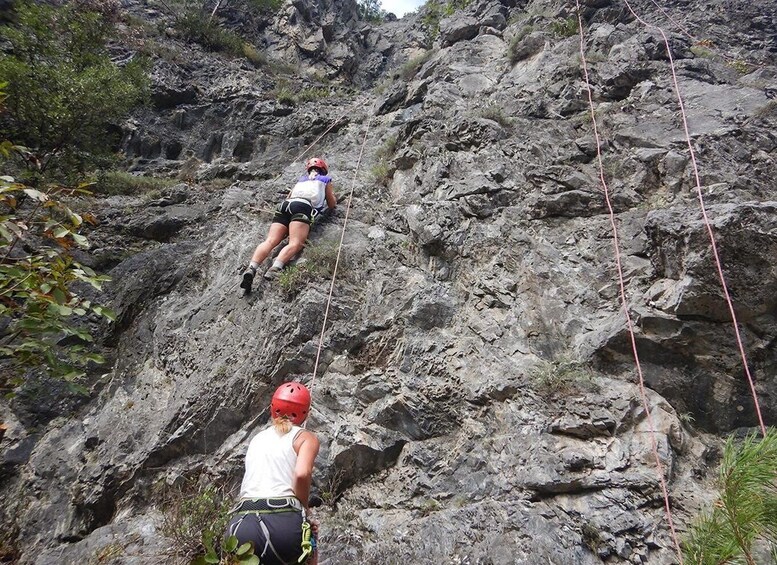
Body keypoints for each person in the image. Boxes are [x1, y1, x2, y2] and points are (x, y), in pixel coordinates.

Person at [225, 382, 321, 565]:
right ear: (305, 413)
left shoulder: (257, 439)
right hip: (282, 523)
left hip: (241, 524)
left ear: (272, 408)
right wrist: (305, 512)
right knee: (310, 544)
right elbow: (301, 474)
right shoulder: (305, 438)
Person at [241, 157, 336, 291]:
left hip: (285, 206)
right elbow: (331, 204)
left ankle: (252, 268)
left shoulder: (301, 180)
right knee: (295, 242)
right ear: (323, 170)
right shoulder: (325, 180)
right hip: (302, 207)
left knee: (270, 240)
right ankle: (276, 267)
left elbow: (289, 196)